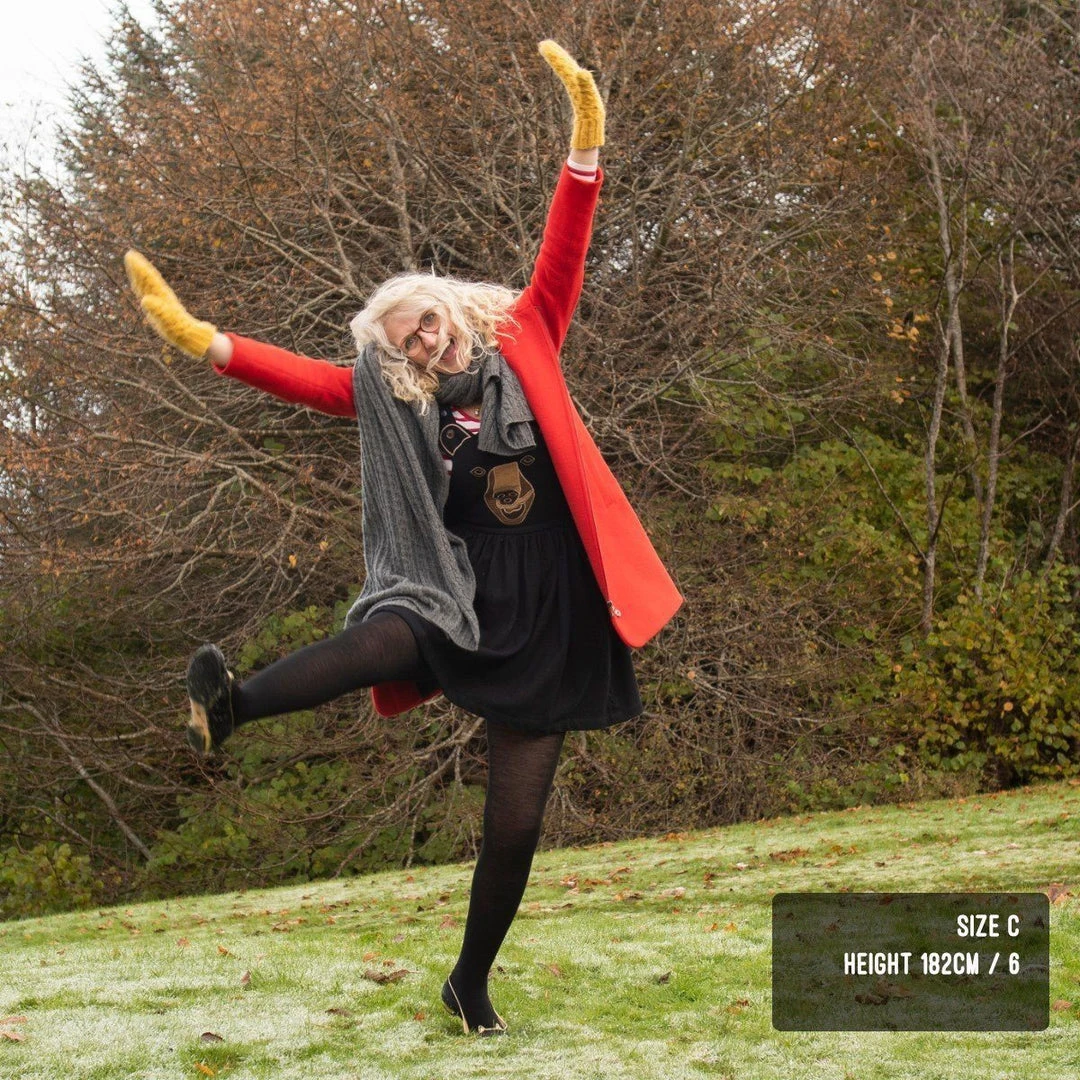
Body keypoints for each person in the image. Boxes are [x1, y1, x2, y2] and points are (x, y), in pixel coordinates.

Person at [125, 40, 681, 1036]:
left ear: (445, 303)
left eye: (426, 322)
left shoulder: (526, 334)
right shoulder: (398, 401)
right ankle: (233, 706)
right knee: (385, 634)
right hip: (460, 589)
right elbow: (308, 379)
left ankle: (469, 984)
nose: (427, 341)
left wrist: (584, 144)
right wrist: (206, 342)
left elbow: (564, 250)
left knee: (515, 820)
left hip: (554, 604)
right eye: (408, 342)